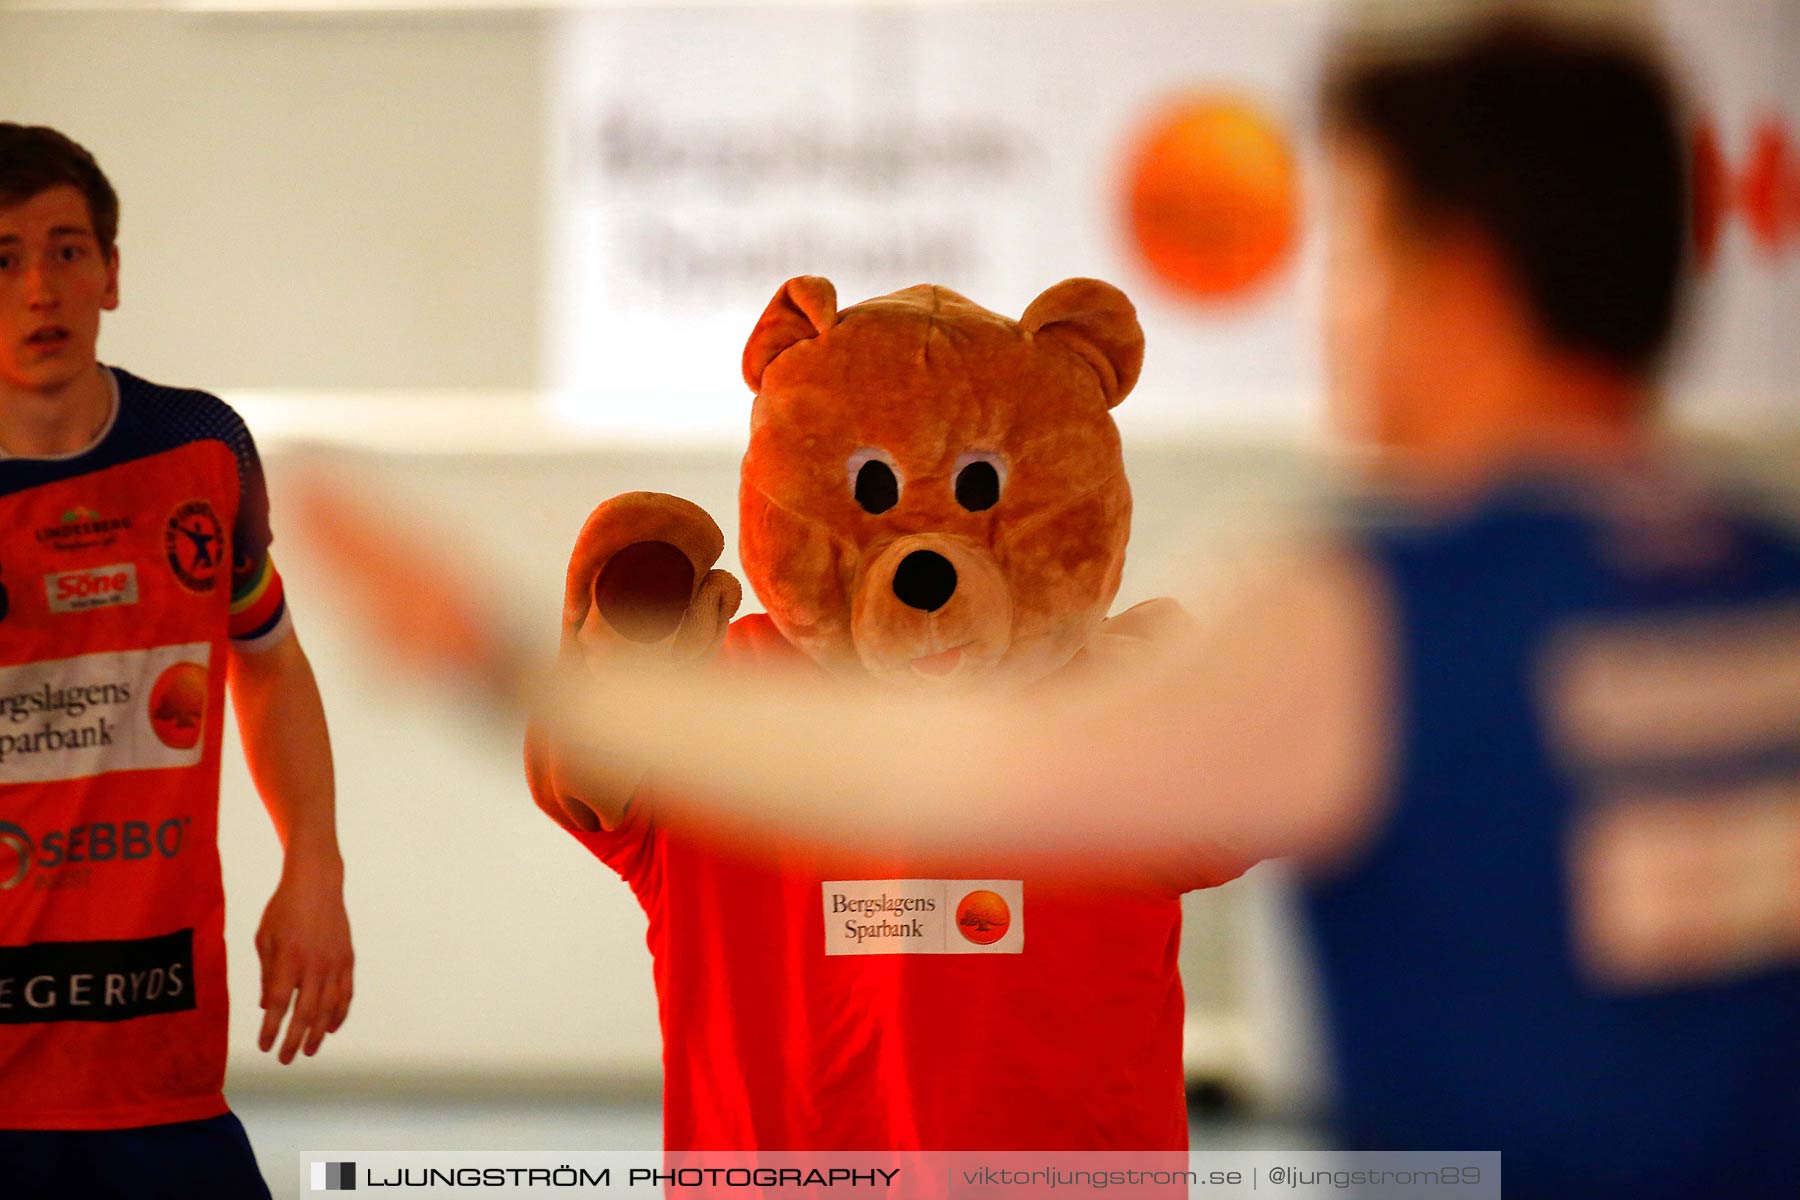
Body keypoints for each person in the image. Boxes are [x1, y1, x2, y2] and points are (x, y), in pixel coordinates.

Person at [301, 11, 1800, 1198]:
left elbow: (964, 771)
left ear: (1459, 281)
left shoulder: (1375, 615)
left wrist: (513, 663)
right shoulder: (1768, 586)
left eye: (1358, 256)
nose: (1337, 314)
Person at [0, 124, 353, 1197]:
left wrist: (315, 867)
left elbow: (271, 660)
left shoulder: (200, 451)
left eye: (67, 250)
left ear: (111, 273)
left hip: (164, 1077)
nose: (38, 290)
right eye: (2, 259)